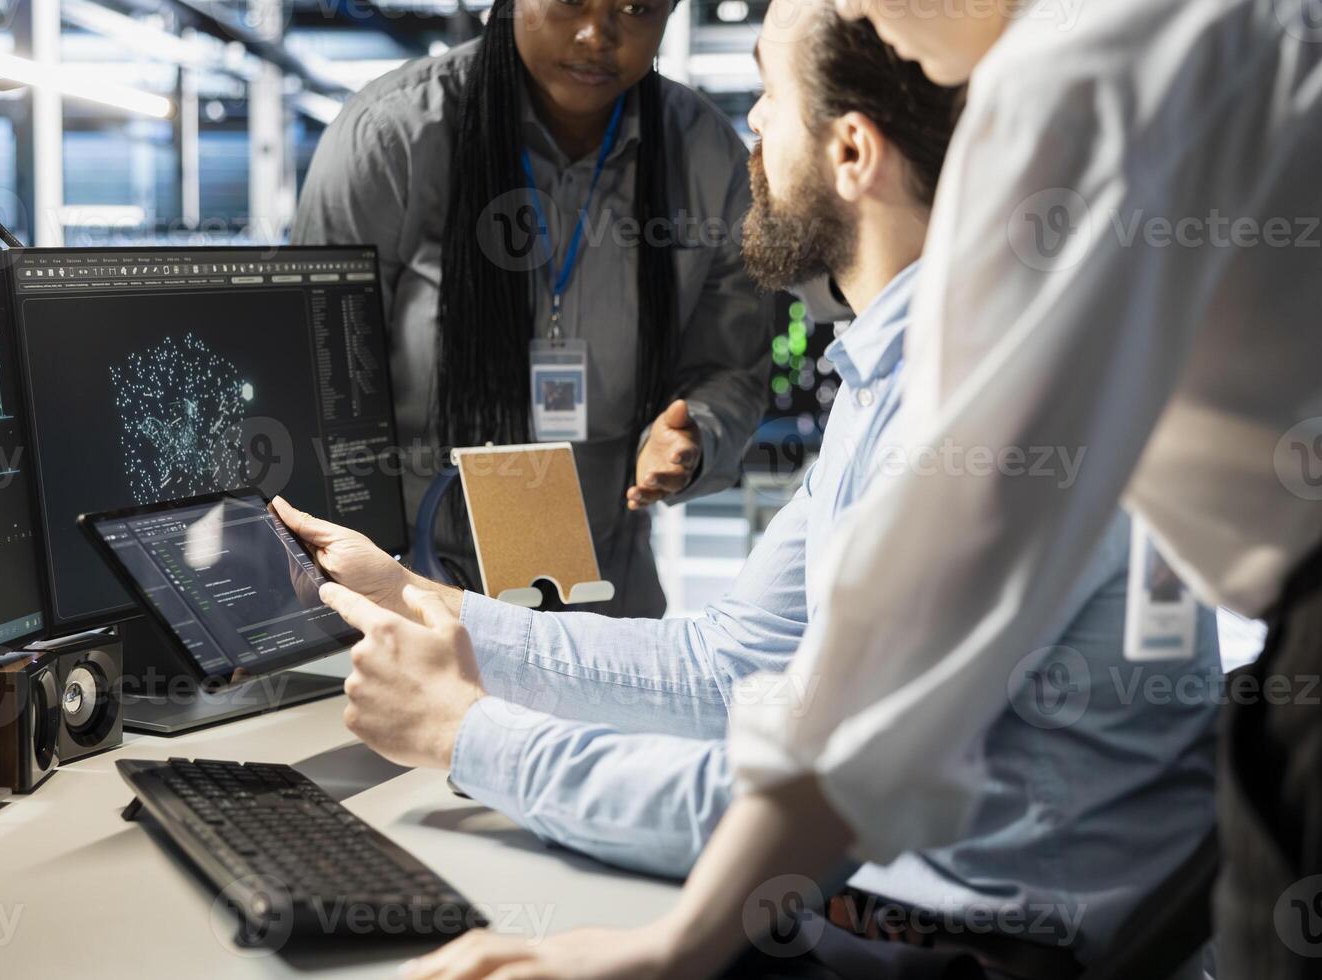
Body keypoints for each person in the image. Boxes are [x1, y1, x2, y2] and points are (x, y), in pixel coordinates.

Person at [296, 0, 1322, 974]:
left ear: (851, 152)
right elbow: (734, 663)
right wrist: (425, 604)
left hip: (978, 936)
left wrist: (478, 742)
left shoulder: (1073, 80)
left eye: (768, 94)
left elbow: (868, 709)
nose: (743, 125)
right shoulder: (893, 363)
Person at [291, 0, 771, 618]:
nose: (598, 34)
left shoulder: (704, 157)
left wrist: (695, 430)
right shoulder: (394, 136)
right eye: (570, 1)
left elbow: (731, 364)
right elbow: (316, 375)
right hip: (408, 588)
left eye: (637, 7)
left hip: (601, 601)